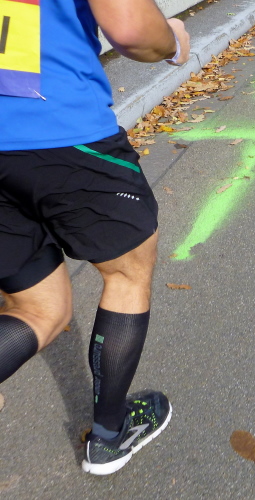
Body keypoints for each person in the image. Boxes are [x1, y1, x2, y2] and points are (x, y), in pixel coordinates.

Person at [0, 0, 189, 475]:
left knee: (37, 310)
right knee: (127, 272)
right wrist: (173, 40)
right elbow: (130, 29)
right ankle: (109, 436)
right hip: (59, 130)